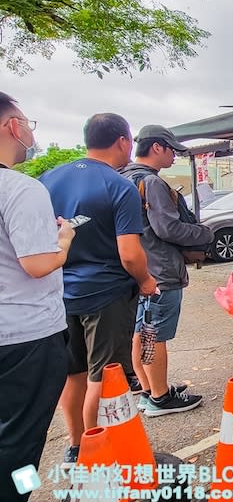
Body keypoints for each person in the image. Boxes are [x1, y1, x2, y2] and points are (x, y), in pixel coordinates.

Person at [40, 113, 157, 468]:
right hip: (105, 295)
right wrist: (145, 281)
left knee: (73, 374)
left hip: (59, 293)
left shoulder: (46, 180)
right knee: (103, 378)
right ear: (122, 141)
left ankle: (76, 446)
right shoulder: (118, 186)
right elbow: (130, 254)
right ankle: (97, 452)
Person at [0, 92, 75, 502]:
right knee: (21, 442)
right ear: (13, 126)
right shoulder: (19, 187)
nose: (30, 131)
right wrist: (63, 241)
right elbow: (37, 264)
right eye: (28, 122)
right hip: (25, 338)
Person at [120, 125, 212, 416]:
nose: (174, 156)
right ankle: (160, 397)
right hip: (160, 271)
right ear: (157, 147)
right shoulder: (153, 183)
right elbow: (167, 227)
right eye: (171, 149)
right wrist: (204, 233)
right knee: (154, 334)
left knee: (143, 331)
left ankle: (149, 391)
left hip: (137, 270)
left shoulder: (124, 178)